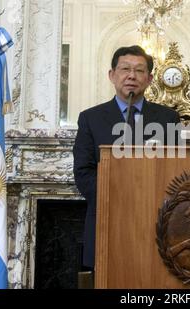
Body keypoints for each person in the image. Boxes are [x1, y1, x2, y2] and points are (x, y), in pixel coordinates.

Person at [73, 45, 181, 269]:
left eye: (139, 71)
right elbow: (83, 173)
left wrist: (149, 199)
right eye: (125, 69)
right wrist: (121, 197)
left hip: (156, 220)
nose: (132, 76)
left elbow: (176, 168)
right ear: (112, 75)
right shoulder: (90, 118)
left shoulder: (168, 119)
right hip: (107, 219)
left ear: (150, 78)